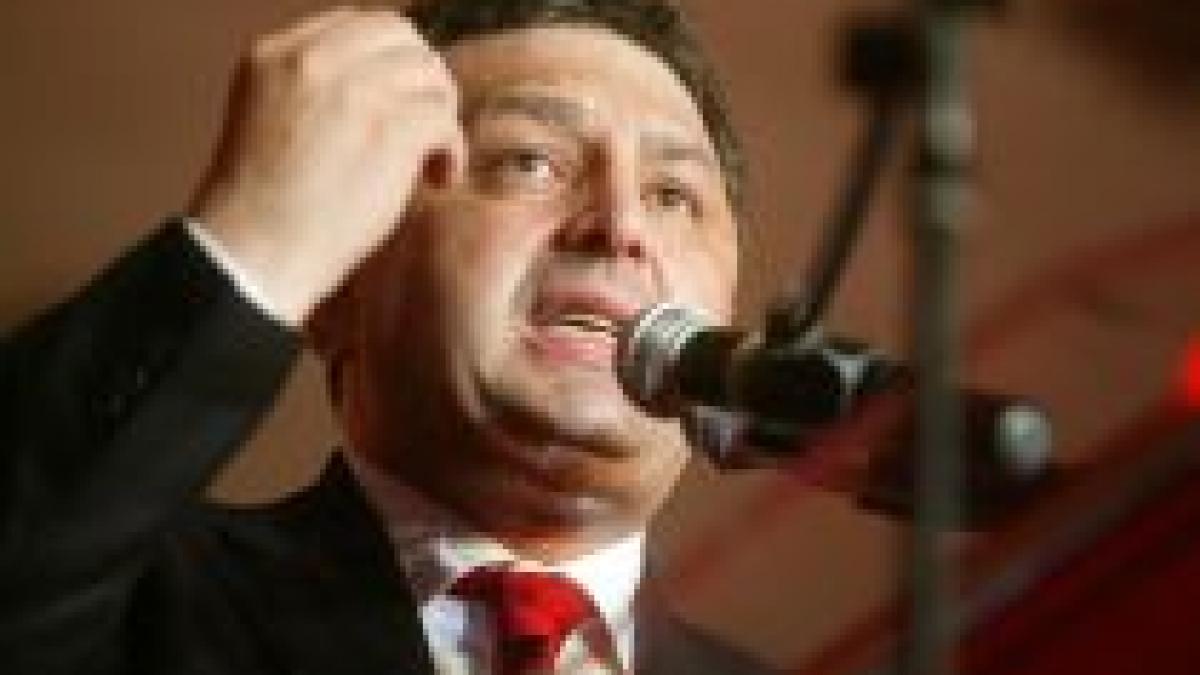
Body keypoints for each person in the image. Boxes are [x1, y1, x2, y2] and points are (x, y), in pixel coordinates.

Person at [0, 0, 771, 672]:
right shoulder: (141, 609)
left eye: (673, 195)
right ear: (339, 282)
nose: (621, 225)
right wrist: (254, 237)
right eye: (530, 162)